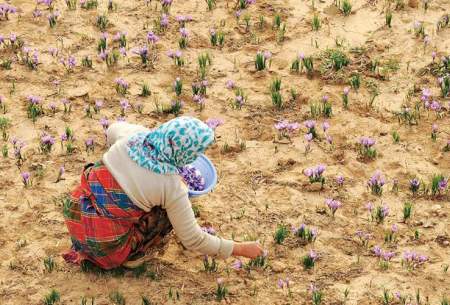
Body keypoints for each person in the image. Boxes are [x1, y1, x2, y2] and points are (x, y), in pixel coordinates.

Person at [63, 116, 263, 269]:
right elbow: (193, 239)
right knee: (165, 213)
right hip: (105, 247)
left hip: (76, 213)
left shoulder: (134, 135)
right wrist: (240, 248)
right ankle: (131, 257)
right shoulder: (171, 186)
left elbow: (112, 130)